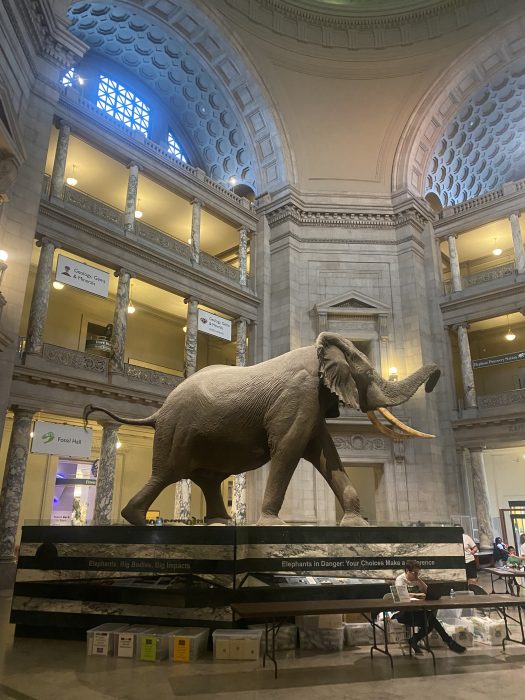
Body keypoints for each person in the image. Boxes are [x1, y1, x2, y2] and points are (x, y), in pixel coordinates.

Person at [394, 561, 466, 655]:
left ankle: (415, 640)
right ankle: (448, 642)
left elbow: (426, 590)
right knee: (430, 620)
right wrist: (416, 594)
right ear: (407, 570)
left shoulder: (416, 579)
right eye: (414, 573)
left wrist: (418, 580)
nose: (416, 575)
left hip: (417, 612)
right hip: (404, 613)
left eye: (417, 573)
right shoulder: (400, 580)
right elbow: (402, 595)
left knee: (429, 622)